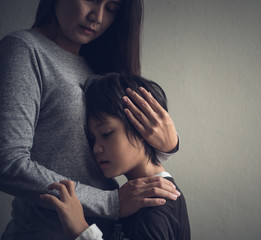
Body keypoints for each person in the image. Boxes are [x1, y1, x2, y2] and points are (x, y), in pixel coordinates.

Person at [0, 1, 180, 239]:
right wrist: (111, 203)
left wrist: (167, 145)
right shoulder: (25, 49)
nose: (97, 16)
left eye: (112, 8)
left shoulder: (96, 62)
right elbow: (7, 162)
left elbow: (117, 142)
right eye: (91, 0)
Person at [41, 73, 190, 240]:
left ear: (140, 127)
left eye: (106, 133)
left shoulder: (154, 207)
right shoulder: (137, 199)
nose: (96, 148)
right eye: (92, 139)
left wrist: (81, 231)